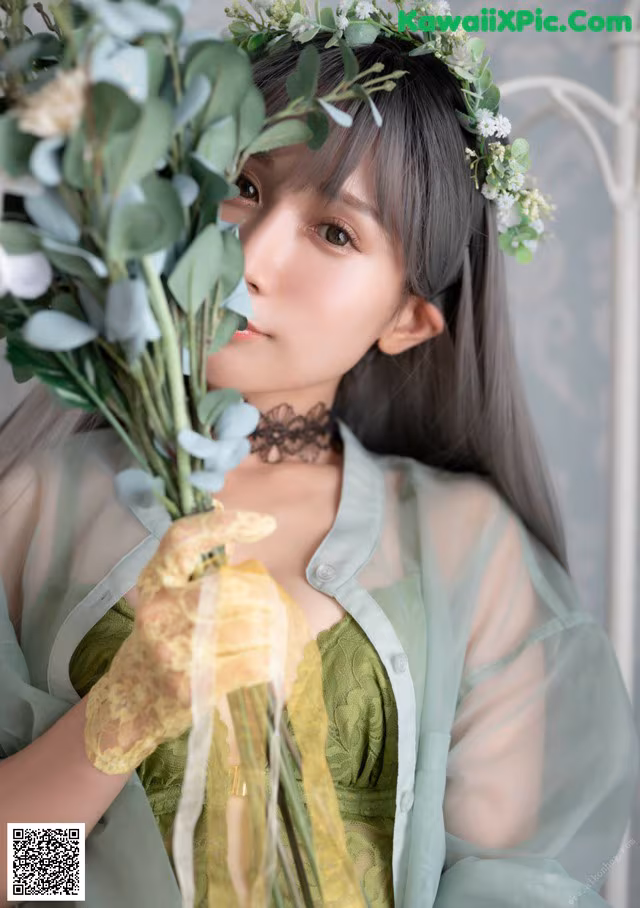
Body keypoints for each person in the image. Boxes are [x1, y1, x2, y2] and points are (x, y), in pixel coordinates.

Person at [0, 19, 638, 908]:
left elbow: (518, 882)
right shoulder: (36, 512)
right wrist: (117, 718)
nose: (248, 260)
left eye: (335, 233)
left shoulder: (465, 550)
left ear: (408, 319)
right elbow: (25, 884)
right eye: (244, 186)